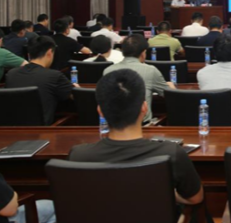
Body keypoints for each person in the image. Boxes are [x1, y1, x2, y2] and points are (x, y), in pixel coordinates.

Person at [69, 70, 204, 208]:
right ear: (144, 108)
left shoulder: (78, 155)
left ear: (100, 111)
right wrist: (164, 192)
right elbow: (195, 198)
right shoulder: (171, 153)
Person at [103, 34, 175, 124]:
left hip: (114, 124)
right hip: (142, 126)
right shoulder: (151, 70)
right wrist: (171, 86)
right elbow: (172, 97)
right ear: (143, 53)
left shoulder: (107, 71)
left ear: (122, 51)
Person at [5, 37, 78, 125]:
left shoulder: (11, 74)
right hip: (42, 131)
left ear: (28, 54)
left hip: (11, 130)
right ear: (50, 52)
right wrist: (76, 88)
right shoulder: (54, 76)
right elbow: (77, 97)